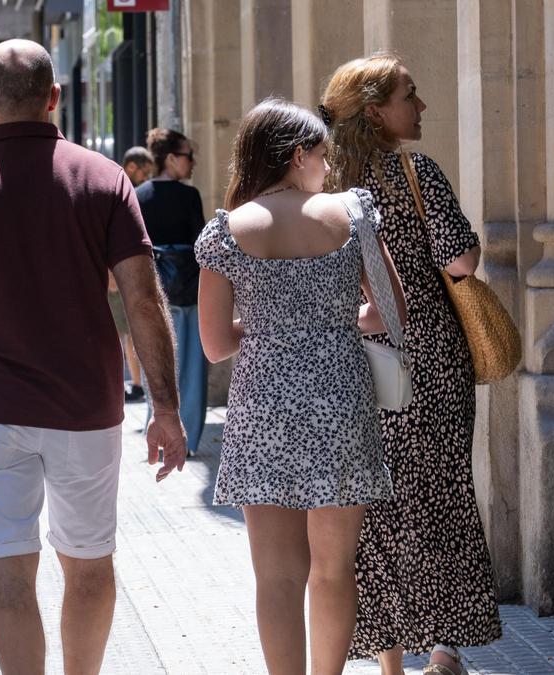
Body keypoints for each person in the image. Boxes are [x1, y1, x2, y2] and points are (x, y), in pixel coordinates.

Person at [0, 40, 188, 675]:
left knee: (7, 571)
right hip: (86, 406)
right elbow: (144, 300)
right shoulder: (104, 177)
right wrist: (165, 408)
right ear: (55, 98)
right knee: (88, 566)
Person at [196, 97, 401, 675]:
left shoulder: (227, 232)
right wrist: (333, 321)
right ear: (297, 155)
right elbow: (388, 311)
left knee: (277, 576)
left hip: (263, 407)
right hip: (342, 396)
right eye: (322, 155)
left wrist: (271, 326)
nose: (327, 168)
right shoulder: (353, 214)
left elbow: (214, 344)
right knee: (334, 569)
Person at [321, 55, 500, 675]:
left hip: (353, 363)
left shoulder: (322, 186)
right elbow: (460, 263)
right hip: (428, 360)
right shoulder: (413, 172)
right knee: (442, 494)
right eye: (410, 94)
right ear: (375, 111)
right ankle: (446, 650)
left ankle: (389, 660)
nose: (420, 106)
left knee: (372, 508)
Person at [140, 128, 208, 455]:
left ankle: (156, 428)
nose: (192, 162)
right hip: (190, 289)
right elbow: (203, 245)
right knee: (193, 364)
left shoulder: (139, 196)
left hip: (155, 290)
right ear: (170, 158)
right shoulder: (190, 196)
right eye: (187, 155)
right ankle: (189, 438)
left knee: (157, 359)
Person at [111, 145, 155, 402]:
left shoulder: (126, 193)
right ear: (131, 168)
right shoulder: (123, 194)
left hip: (120, 278)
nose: (146, 178)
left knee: (125, 333)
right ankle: (132, 383)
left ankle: (134, 383)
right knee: (122, 333)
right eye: (144, 172)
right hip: (117, 279)